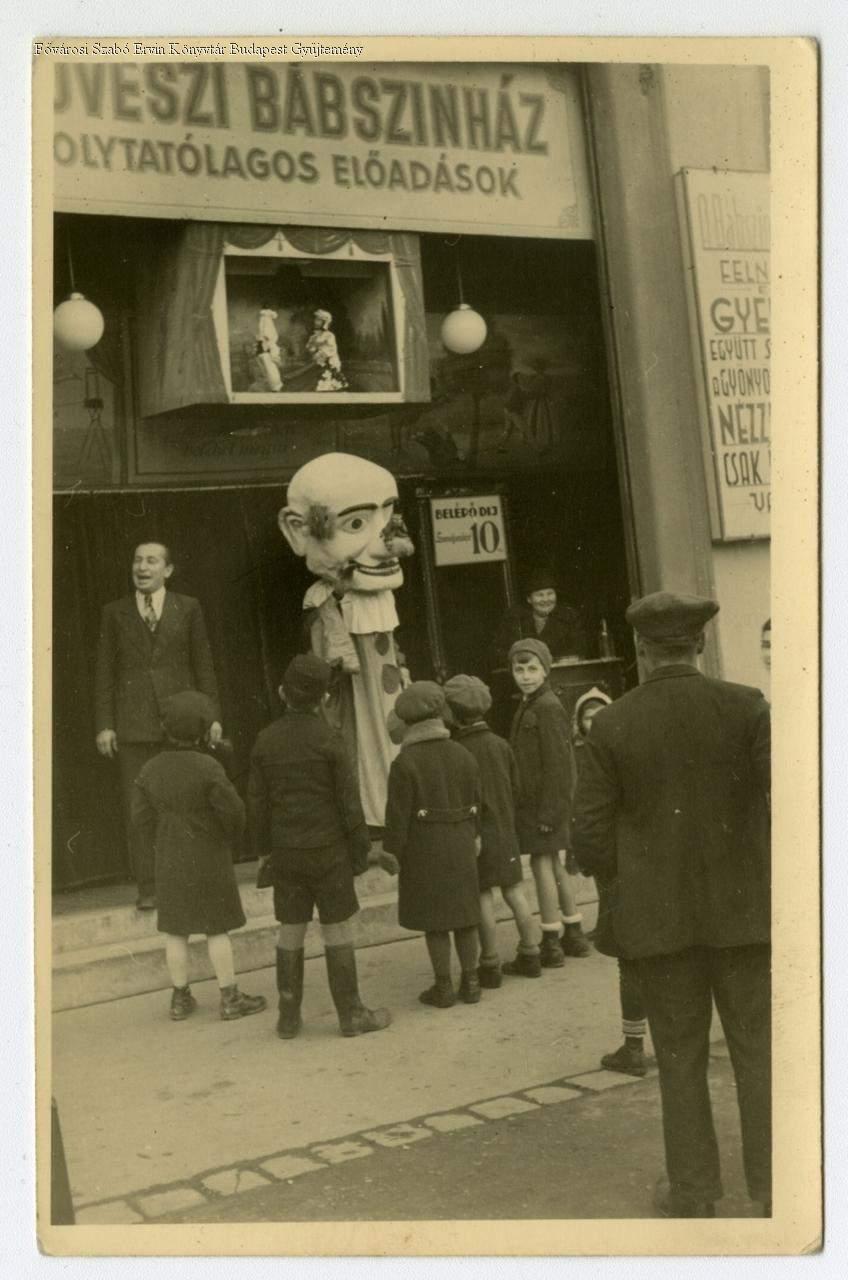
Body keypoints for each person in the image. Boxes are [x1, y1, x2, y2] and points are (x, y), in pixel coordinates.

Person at [571, 592, 771, 1219]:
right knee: (759, 1053)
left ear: (640, 648)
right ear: (700, 643)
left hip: (658, 924)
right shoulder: (747, 706)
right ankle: (775, 1186)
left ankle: (693, 1191)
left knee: (680, 1059)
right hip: (746, 917)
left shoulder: (611, 724)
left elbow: (589, 835)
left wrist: (629, 882)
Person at [247, 653, 391, 1040]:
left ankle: (288, 1018)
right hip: (329, 851)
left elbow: (257, 805)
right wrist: (359, 853)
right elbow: (349, 804)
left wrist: (264, 851)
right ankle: (351, 1013)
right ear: (325, 698)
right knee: (337, 927)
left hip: (286, 852)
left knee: (290, 929)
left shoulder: (265, 741)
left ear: (282, 693)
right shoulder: (331, 739)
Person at [95, 541, 222, 910]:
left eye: (152, 561)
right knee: (140, 808)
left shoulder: (189, 607)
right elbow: (104, 672)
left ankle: (192, 881)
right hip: (133, 728)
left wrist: (211, 716)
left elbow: (203, 664)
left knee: (189, 803)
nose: (142, 567)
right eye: (137, 560)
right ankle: (149, 887)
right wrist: (105, 724)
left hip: (181, 726)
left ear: (167, 570)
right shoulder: (114, 612)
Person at [131, 691, 267, 1024]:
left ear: (166, 728)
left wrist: (162, 840)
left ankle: (180, 998)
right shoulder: (208, 766)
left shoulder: (149, 769)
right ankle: (230, 997)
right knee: (216, 927)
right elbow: (234, 812)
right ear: (201, 730)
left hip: (169, 856)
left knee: (175, 930)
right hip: (209, 854)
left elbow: (140, 819)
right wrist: (228, 837)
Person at [384, 681, 483, 1008]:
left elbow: (397, 817)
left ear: (407, 721)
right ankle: (471, 982)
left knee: (435, 922)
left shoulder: (404, 763)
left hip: (424, 850)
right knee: (466, 915)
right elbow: (477, 802)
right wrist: (475, 836)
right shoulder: (464, 754)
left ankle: (443, 988)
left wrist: (392, 853)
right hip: (462, 843)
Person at [443, 674, 542, 984]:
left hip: (476, 834)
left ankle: (489, 962)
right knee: (515, 891)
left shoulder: (455, 750)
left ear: (453, 714)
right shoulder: (501, 745)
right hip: (505, 830)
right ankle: (532, 952)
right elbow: (516, 788)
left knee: (483, 895)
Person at [571, 687, 648, 1076]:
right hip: (650, 864)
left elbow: (588, 822)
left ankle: (634, 1047)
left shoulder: (595, 759)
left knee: (631, 959)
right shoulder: (639, 748)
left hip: (620, 869)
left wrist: (601, 866)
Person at [507, 638, 577, 969]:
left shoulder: (547, 707)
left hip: (544, 805)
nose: (525, 676)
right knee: (552, 863)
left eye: (532, 669)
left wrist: (550, 812)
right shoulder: (531, 703)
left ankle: (551, 940)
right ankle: (573, 929)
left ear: (546, 671)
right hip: (539, 804)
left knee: (541, 864)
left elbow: (559, 765)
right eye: (518, 669)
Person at [491, 568, 587, 669]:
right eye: (539, 595)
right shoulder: (514, 619)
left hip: (559, 672)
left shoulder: (570, 617)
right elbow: (498, 651)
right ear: (529, 599)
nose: (545, 599)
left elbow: (579, 649)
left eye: (550, 593)